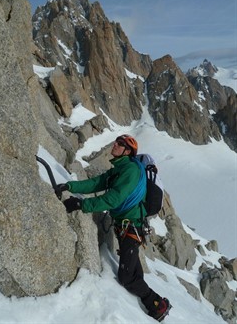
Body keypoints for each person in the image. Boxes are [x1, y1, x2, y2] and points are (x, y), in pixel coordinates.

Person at [57, 134, 171, 321]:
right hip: (126, 226)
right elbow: (97, 183)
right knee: (133, 271)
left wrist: (81, 205)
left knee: (126, 277)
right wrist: (70, 185)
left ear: (127, 151)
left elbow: (113, 199)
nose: (115, 145)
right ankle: (153, 306)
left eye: (120, 144)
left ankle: (158, 303)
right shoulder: (120, 168)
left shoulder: (131, 171)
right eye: (116, 142)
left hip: (131, 227)